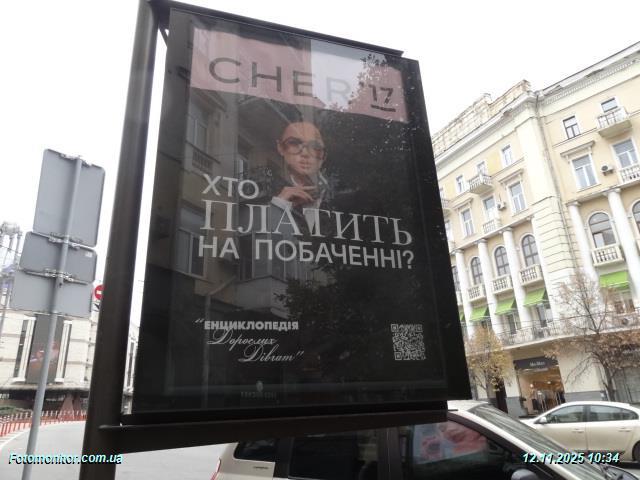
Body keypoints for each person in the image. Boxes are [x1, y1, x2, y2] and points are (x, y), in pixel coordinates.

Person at [270, 121, 330, 232]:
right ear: (280, 148)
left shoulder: (338, 193)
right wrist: (279, 204)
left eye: (315, 146)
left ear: (324, 155)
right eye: (294, 143)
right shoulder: (268, 192)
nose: (305, 153)